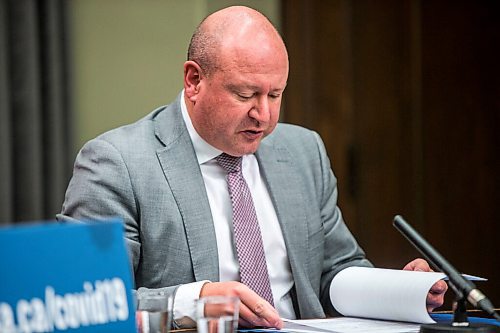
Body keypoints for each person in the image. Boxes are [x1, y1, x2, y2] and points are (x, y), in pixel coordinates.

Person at [60, 5, 447, 329]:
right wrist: (197, 300)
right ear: (194, 80)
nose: (263, 115)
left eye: (275, 94)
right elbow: (84, 301)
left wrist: (395, 290)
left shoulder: (302, 151)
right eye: (245, 94)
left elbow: (335, 268)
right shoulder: (118, 162)